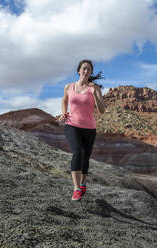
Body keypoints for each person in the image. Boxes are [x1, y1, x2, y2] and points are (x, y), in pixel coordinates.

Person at [57, 59, 105, 201]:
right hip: (72, 125)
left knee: (85, 158)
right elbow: (64, 100)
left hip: (89, 128)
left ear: (91, 72)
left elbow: (102, 110)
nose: (86, 71)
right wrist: (64, 112)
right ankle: (76, 188)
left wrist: (96, 94)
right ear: (79, 71)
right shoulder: (69, 87)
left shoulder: (94, 88)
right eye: (84, 68)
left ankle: (83, 182)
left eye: (89, 69)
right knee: (78, 152)